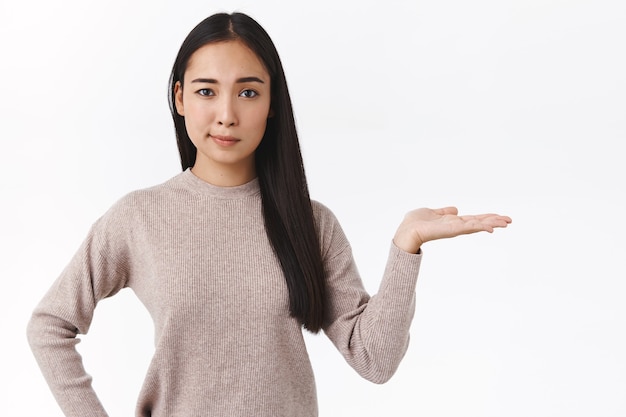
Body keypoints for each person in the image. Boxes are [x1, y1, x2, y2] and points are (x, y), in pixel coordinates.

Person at [26, 11, 512, 417]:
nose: (226, 114)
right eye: (205, 91)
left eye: (248, 92)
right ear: (178, 97)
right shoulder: (139, 217)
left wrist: (407, 244)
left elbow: (375, 360)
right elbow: (50, 325)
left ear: (272, 102)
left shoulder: (311, 224)